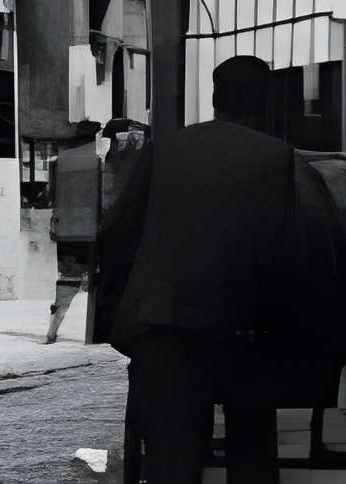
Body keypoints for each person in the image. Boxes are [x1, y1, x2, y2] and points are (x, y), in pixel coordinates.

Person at [93, 56, 304, 484]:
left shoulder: (166, 148)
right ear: (264, 104)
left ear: (213, 98)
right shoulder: (274, 157)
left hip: (163, 324)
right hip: (237, 328)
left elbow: (117, 230)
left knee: (173, 459)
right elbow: (277, 248)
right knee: (251, 448)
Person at [46, 119, 107, 342]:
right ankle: (93, 335)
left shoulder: (60, 163)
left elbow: (52, 198)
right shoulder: (99, 163)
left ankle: (52, 331)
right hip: (92, 232)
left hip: (68, 233)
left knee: (65, 282)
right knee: (98, 284)